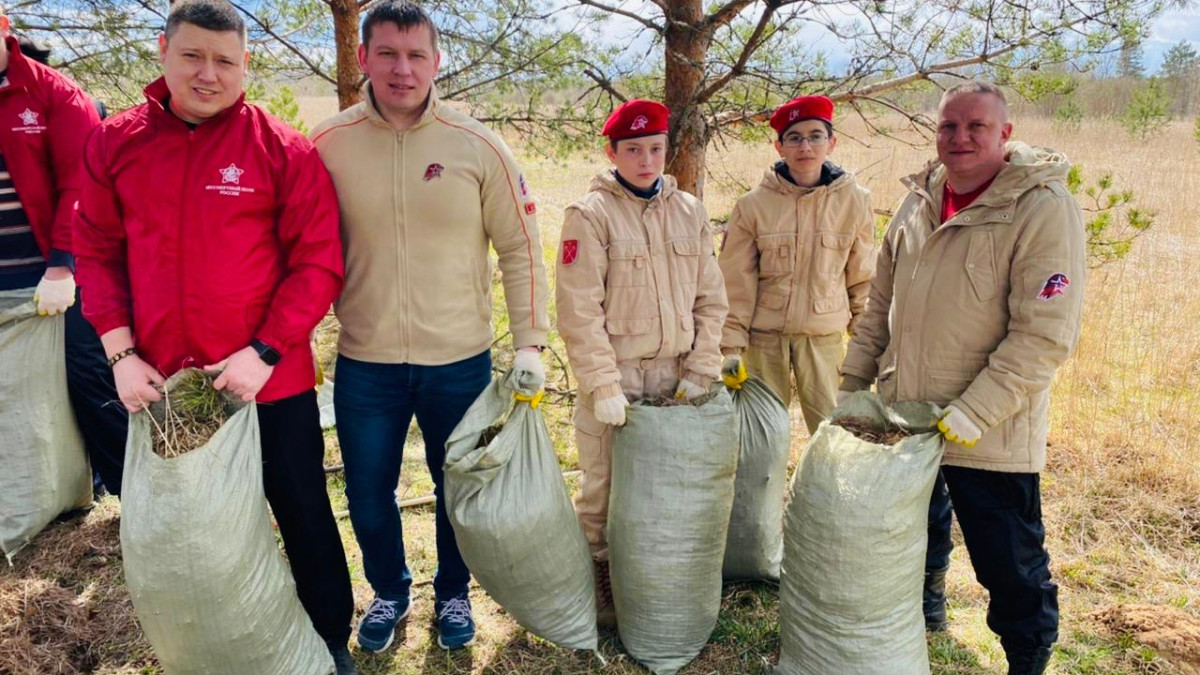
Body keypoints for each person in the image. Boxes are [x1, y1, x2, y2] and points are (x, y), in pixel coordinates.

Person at [72, 1, 358, 672]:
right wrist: (119, 352)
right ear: (163, 51)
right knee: (189, 525)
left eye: (225, 60)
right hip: (163, 385)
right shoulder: (116, 142)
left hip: (268, 382)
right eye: (193, 56)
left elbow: (318, 262)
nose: (209, 73)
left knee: (302, 508)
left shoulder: (282, 149)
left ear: (245, 64)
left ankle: (327, 640)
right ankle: (217, 642)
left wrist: (265, 351)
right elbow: (96, 250)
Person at [310, 0, 550, 652]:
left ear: (436, 61)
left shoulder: (476, 145)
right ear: (363, 58)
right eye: (387, 53)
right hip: (366, 361)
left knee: (457, 489)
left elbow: (521, 247)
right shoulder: (327, 145)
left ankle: (453, 592)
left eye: (416, 55)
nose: (402, 68)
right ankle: (389, 590)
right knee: (367, 492)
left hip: (459, 361)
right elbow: (297, 247)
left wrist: (530, 342)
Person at [839, 81, 1086, 675]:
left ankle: (1027, 655)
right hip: (906, 416)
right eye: (949, 126)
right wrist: (853, 383)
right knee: (913, 533)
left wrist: (976, 410)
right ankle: (926, 610)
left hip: (988, 429)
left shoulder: (1040, 208)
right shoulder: (918, 200)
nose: (960, 138)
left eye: (977, 127)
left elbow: (1044, 334)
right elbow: (880, 305)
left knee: (1009, 559)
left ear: (1005, 133)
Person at [555, 98, 728, 626]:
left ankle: (656, 581)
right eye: (633, 150)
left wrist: (701, 368)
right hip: (619, 377)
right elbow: (579, 309)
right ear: (612, 153)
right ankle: (601, 578)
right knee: (605, 485)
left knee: (670, 485)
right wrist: (602, 384)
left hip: (676, 375)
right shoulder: (590, 215)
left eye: (655, 148)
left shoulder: (690, 211)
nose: (646, 160)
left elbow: (711, 298)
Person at [0, 15, 127, 498]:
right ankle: (48, 491)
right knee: (20, 390)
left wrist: (62, 263)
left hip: (58, 270)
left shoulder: (56, 95)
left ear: (3, 26)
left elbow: (82, 184)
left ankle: (128, 487)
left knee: (87, 374)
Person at [717, 95, 874, 432]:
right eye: (795, 138)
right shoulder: (753, 205)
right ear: (779, 147)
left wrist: (865, 342)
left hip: (823, 337)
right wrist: (731, 347)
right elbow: (735, 281)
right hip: (765, 340)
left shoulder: (856, 201)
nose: (805, 147)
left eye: (815, 136)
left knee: (832, 431)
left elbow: (862, 278)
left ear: (831, 143)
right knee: (762, 432)